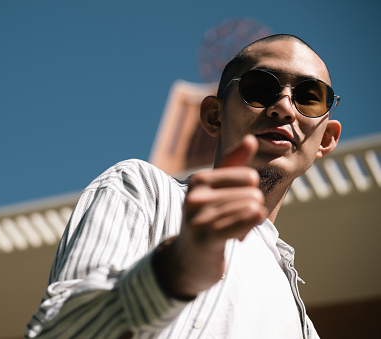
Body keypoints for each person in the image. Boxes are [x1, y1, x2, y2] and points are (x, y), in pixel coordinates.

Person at [25, 34, 341, 339]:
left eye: (309, 97)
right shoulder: (140, 190)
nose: (284, 108)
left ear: (326, 139)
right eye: (259, 89)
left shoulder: (299, 322)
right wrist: (171, 273)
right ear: (214, 116)